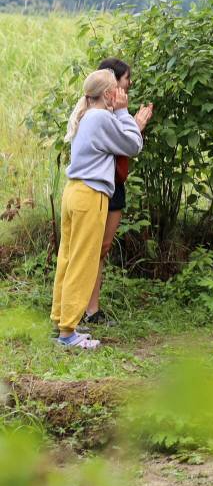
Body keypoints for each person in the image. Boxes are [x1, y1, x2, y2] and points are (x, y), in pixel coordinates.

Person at [51, 69, 144, 349]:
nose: (121, 92)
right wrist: (124, 112)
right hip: (90, 195)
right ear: (107, 94)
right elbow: (133, 144)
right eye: (117, 87)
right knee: (84, 260)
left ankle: (61, 320)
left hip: (74, 191)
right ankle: (68, 332)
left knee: (67, 258)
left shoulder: (86, 115)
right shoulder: (102, 116)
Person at [84, 58, 154, 329]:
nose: (130, 84)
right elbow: (126, 145)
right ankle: (81, 309)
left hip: (115, 185)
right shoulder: (99, 113)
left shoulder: (113, 112)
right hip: (100, 185)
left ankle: (92, 308)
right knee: (91, 248)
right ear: (112, 83)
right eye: (126, 79)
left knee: (102, 249)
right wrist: (133, 124)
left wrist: (131, 123)